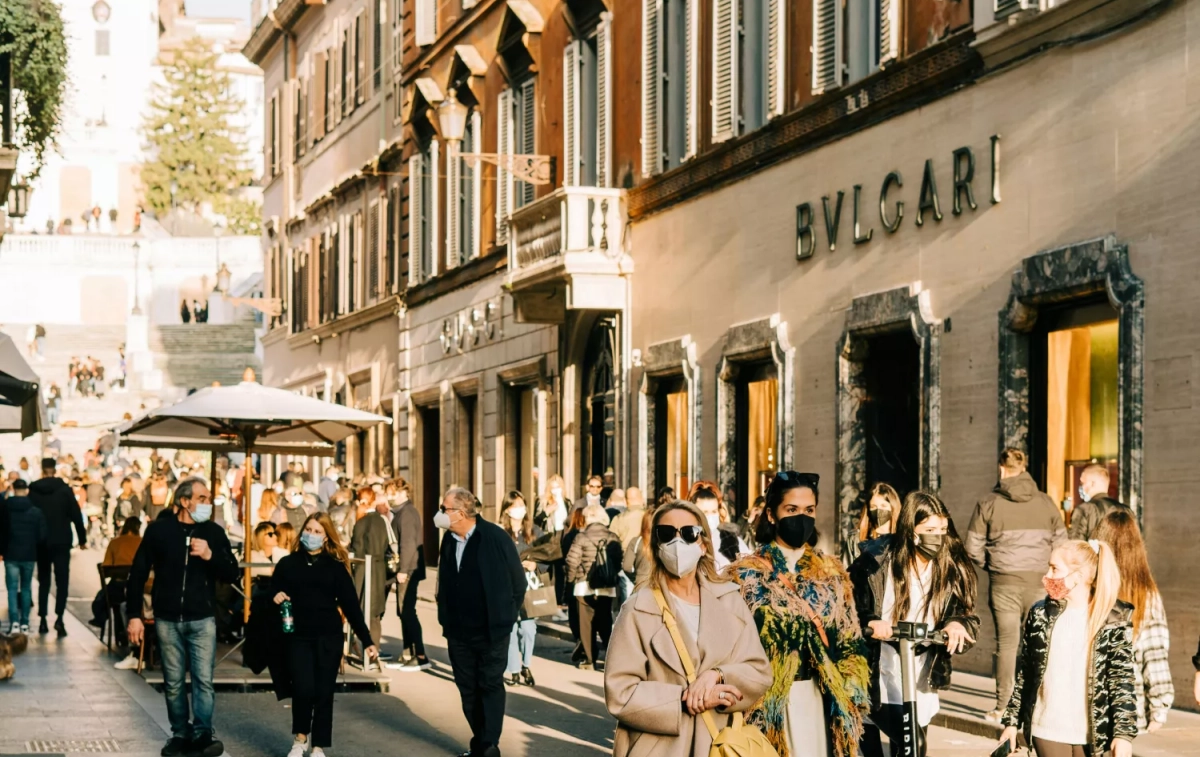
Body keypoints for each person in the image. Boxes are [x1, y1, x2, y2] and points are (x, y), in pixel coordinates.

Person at [605, 499, 773, 757]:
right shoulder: (637, 609)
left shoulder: (729, 600)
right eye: (666, 534)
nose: (677, 543)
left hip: (719, 744)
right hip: (660, 747)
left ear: (703, 544)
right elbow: (620, 692)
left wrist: (717, 675)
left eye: (688, 533)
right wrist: (683, 698)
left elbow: (758, 671)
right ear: (656, 545)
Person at [732, 471, 871, 757]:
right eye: (792, 510)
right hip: (766, 706)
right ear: (772, 515)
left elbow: (851, 639)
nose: (802, 518)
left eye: (809, 510)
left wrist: (850, 692)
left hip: (821, 701)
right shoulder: (746, 575)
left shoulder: (831, 573)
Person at [849, 491, 979, 757]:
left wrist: (956, 625)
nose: (938, 536)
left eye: (942, 529)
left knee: (912, 746)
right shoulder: (876, 560)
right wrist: (872, 622)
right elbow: (850, 604)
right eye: (930, 529)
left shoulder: (948, 564)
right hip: (878, 670)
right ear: (911, 529)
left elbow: (964, 612)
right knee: (910, 744)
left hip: (920, 672)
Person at [126, 478, 240, 757]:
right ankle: (179, 732)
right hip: (167, 619)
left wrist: (210, 555)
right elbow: (138, 572)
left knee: (203, 680)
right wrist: (134, 615)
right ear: (184, 501)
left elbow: (232, 572)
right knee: (174, 681)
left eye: (209, 498)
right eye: (202, 498)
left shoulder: (213, 532)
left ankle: (202, 732)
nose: (208, 503)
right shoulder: (160, 531)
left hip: (202, 618)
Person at [998, 539, 1136, 757]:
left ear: (1078, 577)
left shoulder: (1112, 619)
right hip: (1047, 729)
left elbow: (1122, 680)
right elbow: (1026, 674)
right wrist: (1011, 722)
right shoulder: (1040, 614)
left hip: (1094, 736)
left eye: (1055, 568)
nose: (1048, 575)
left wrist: (1123, 735)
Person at [965, 448, 1066, 721]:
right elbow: (1062, 545)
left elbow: (972, 548)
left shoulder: (988, 503)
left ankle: (1003, 707)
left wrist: (994, 565)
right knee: (1040, 643)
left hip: (1003, 584)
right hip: (1039, 583)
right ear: (1024, 469)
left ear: (1001, 469)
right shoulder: (1046, 503)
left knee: (1007, 645)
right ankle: (1039, 707)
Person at [272, 513, 378, 757]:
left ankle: (318, 745)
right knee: (302, 687)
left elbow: (351, 606)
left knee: (323, 691)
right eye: (309, 529)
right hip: (298, 636)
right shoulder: (288, 564)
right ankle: (300, 739)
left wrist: (367, 640)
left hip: (328, 637)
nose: (312, 535)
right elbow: (273, 590)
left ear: (327, 536)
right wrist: (275, 595)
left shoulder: (335, 567)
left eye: (318, 531)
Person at [435, 487, 526, 757]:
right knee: (467, 687)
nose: (439, 514)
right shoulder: (449, 540)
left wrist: (505, 617)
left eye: (444, 509)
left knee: (490, 683)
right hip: (458, 631)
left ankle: (488, 744)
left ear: (460, 513)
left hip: (492, 630)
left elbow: (517, 582)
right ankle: (482, 739)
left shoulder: (495, 537)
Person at [1093, 510, 1174, 733]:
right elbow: (1154, 652)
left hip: (1086, 707)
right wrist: (1159, 707)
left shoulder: (1091, 589)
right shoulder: (1145, 595)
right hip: (1128, 708)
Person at [29, 458, 87, 637]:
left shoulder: (34, 490)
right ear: (54, 469)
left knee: (44, 580)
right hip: (61, 540)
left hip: (41, 541)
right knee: (62, 581)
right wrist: (82, 538)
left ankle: (43, 620)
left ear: (42, 469)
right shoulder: (64, 490)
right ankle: (60, 618)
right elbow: (76, 515)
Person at [500, 491, 543, 686]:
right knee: (509, 629)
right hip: (506, 588)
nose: (520, 509)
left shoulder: (535, 531)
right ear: (507, 509)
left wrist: (536, 565)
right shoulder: (500, 531)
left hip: (529, 588)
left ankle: (526, 665)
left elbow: (547, 556)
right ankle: (514, 670)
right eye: (515, 506)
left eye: (522, 505)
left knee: (528, 629)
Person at [387, 479, 429, 672]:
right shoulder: (402, 512)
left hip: (409, 569)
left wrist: (403, 570)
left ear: (403, 493)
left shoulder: (407, 513)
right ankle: (407, 652)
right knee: (403, 611)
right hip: (407, 568)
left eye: (392, 492)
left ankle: (420, 655)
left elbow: (408, 544)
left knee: (407, 611)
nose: (389, 496)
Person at [349, 488, 391, 654]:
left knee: (356, 611)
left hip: (361, 570)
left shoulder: (361, 521)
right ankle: (374, 651)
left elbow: (356, 547)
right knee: (374, 616)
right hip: (378, 571)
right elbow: (387, 545)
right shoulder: (382, 521)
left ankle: (358, 649)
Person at [2, 480, 46, 633]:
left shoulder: (5, 509)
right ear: (26, 490)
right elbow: (41, 536)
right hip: (29, 554)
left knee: (12, 589)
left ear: (13, 489)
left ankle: (14, 622)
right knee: (26, 588)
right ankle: (25, 623)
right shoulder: (35, 511)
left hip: (11, 554)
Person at [104, 517, 144, 670]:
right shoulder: (142, 542)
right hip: (140, 586)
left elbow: (107, 567)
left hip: (119, 586)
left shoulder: (115, 542)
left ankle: (115, 630)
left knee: (106, 597)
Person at [689, 481, 750, 572]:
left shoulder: (731, 540)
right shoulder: (686, 541)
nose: (710, 517)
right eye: (704, 512)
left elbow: (749, 568)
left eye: (714, 512)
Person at [1068, 464, 1130, 540]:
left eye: (1082, 483)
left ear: (1092, 484)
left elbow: (1075, 545)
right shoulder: (1126, 510)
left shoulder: (1084, 510)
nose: (1080, 487)